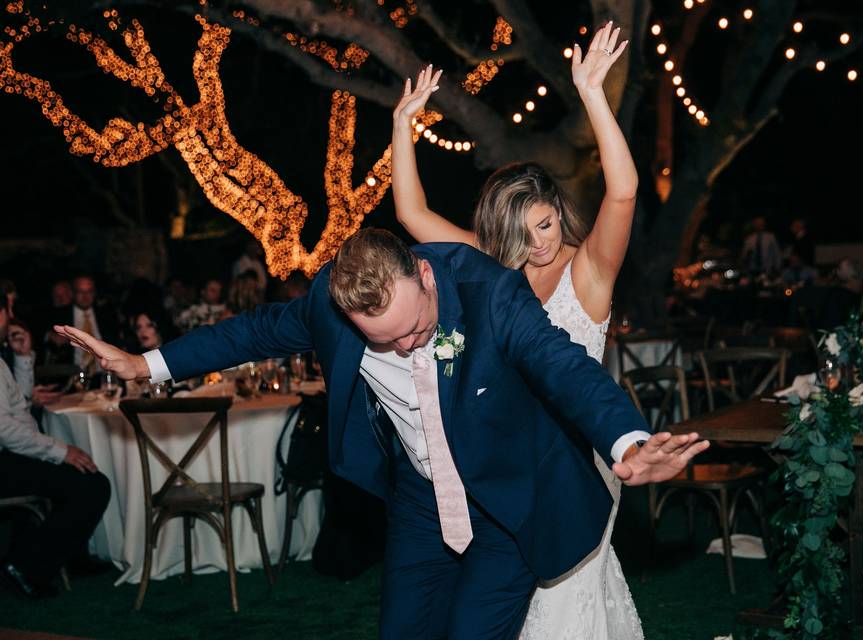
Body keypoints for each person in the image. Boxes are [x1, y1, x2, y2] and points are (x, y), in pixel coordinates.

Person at [56, 228, 708, 640]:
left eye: (414, 330)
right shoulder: (330, 307)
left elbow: (564, 367)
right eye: (384, 341)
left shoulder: (490, 294)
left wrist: (627, 441)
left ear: (424, 276)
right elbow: (248, 332)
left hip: (511, 498)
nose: (404, 346)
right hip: (423, 500)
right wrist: (147, 364)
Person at [390, 23, 643, 638]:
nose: (539, 243)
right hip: (507, 461)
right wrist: (403, 125)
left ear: (560, 214)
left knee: (562, 605)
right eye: (524, 231)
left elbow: (625, 189)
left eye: (547, 224)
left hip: (579, 460)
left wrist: (592, 94)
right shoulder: (491, 269)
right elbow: (412, 215)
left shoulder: (589, 272)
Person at [0, 304, 110, 599]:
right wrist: (60, 451)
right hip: (3, 459)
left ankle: (67, 557)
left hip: (10, 453)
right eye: (7, 308)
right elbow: (6, 430)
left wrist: (23, 358)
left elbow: (18, 405)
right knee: (92, 484)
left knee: (80, 476)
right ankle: (27, 566)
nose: (12, 316)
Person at [46, 276, 120, 372]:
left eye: (89, 292)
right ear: (73, 293)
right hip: (72, 374)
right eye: (80, 292)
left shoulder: (106, 314)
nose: (85, 296)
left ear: (94, 293)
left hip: (104, 372)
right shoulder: (61, 315)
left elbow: (116, 342)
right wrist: (50, 336)